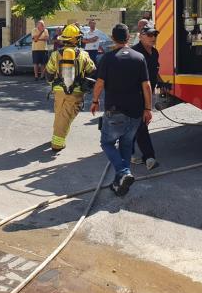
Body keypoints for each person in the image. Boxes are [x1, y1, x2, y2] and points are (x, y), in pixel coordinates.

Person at [91, 23, 152, 197]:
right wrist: (148, 108)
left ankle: (123, 172)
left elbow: (100, 83)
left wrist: (95, 101)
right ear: (128, 38)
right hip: (135, 113)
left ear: (112, 38)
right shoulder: (139, 57)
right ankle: (120, 183)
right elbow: (146, 85)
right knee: (126, 144)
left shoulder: (108, 59)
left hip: (115, 112)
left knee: (107, 143)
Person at [45, 24, 96, 152]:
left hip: (58, 91)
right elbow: (92, 71)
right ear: (76, 39)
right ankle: (57, 144)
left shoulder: (55, 54)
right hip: (75, 92)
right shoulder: (84, 55)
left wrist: (53, 85)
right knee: (66, 117)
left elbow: (49, 74)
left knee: (60, 115)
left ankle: (57, 136)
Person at [131, 21, 161, 170]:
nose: (153, 37)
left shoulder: (155, 52)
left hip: (149, 92)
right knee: (141, 124)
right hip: (136, 95)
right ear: (141, 36)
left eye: (155, 34)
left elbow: (154, 71)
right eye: (149, 35)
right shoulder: (135, 53)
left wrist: (161, 83)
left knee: (136, 124)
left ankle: (128, 152)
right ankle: (149, 157)